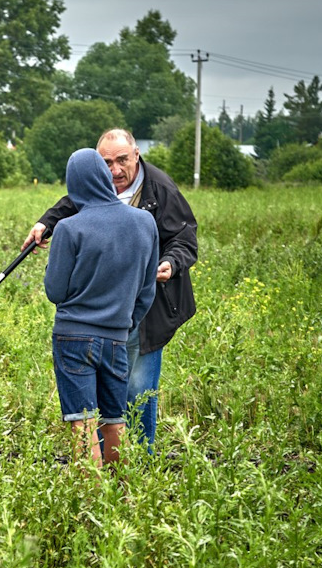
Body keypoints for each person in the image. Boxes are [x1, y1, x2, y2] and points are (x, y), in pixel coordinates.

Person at [24, 128, 197, 447]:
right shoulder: (95, 193)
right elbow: (74, 202)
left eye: (122, 160)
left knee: (136, 392)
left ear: (137, 156)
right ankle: (115, 479)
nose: (115, 170)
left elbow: (185, 238)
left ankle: (138, 463)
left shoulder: (160, 190)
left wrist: (170, 263)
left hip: (144, 315)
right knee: (113, 413)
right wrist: (45, 223)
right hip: (120, 318)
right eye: (106, 163)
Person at [44, 149, 157, 466]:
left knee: (83, 422)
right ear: (105, 177)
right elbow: (147, 288)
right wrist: (124, 323)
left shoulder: (69, 228)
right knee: (114, 420)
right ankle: (118, 497)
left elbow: (55, 291)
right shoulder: (144, 222)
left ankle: (92, 502)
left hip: (73, 338)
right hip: (117, 338)